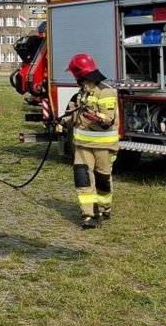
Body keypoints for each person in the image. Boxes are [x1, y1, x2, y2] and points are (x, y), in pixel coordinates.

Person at [59, 53, 119, 229]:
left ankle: (104, 208)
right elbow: (73, 113)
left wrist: (92, 115)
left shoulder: (105, 91)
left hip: (103, 145)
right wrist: (62, 121)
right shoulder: (81, 93)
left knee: (102, 179)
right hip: (82, 145)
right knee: (82, 177)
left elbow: (107, 119)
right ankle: (89, 215)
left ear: (80, 73)